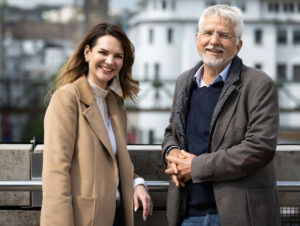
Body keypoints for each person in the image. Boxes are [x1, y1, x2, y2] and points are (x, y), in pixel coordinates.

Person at [162, 4, 280, 226]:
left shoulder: (258, 84)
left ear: (238, 45)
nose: (213, 41)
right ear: (197, 37)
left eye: (224, 35)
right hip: (187, 212)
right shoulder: (184, 82)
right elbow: (172, 132)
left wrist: (195, 167)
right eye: (207, 33)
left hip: (237, 214)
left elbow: (260, 147)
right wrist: (172, 151)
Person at [41, 22, 153, 226]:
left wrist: (137, 182)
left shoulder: (116, 105)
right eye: (103, 52)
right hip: (83, 219)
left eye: (118, 56)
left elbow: (111, 162)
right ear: (87, 53)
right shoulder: (67, 99)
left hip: (116, 217)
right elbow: (56, 171)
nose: (110, 61)